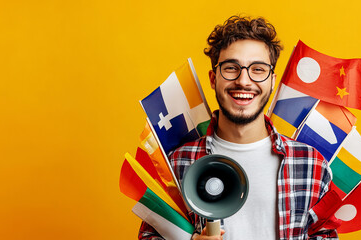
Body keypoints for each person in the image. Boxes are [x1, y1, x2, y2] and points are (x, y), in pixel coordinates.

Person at [139, 15, 339, 240]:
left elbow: (325, 235)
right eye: (232, 68)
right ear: (213, 79)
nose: (244, 81)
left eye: (258, 69)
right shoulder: (177, 164)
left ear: (272, 81)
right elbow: (150, 234)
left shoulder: (312, 164)